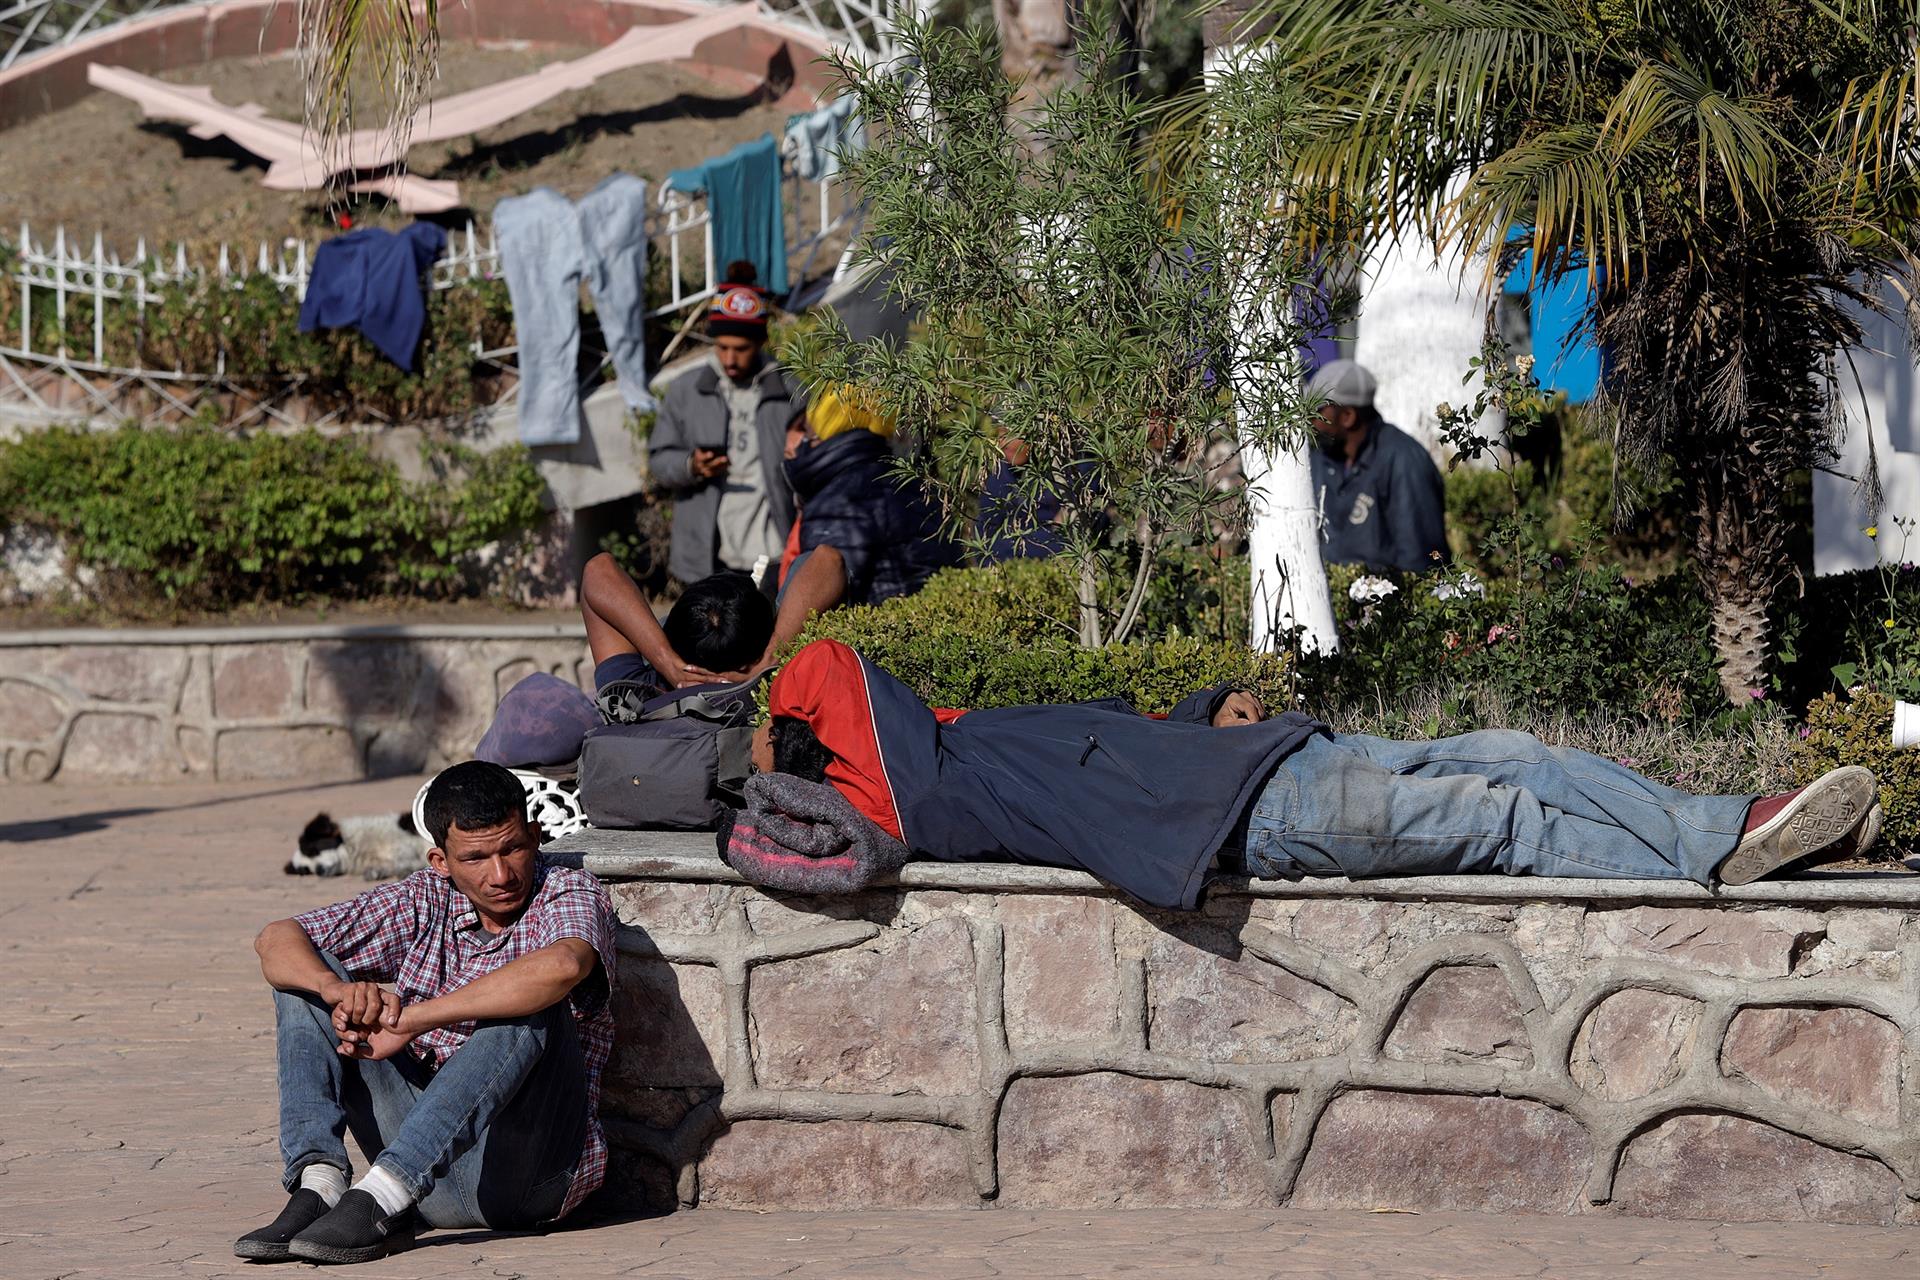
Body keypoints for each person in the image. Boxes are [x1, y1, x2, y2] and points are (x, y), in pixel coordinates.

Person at [746, 639, 1882, 909]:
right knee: (1510, 819)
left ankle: (1731, 825)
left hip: (1277, 756)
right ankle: (1719, 855)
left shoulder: (954, 737)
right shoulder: (910, 790)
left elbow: (1101, 734)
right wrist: (762, 723)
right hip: (1271, 815)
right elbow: (826, 660)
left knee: (1522, 752)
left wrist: (1199, 710)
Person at [237, 762, 617, 1264]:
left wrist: (412, 1019)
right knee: (304, 980)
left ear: (535, 834)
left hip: (522, 1182)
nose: (500, 875)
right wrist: (338, 992)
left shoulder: (568, 891)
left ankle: (383, 1198)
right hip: (425, 1178)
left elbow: (564, 965)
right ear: (441, 860)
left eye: (513, 848)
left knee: (532, 1006)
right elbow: (277, 938)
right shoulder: (424, 896)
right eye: (476, 858)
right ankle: (322, 1184)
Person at [750, 385, 965, 668]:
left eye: (811, 430)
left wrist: (770, 662)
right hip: (937, 634)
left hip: (880, 655)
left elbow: (826, 580)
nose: (804, 440)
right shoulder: (911, 481)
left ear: (825, 426)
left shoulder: (843, 494)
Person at [648, 271, 802, 589]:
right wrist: (691, 465)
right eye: (722, 347)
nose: (730, 359)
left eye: (741, 348)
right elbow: (659, 460)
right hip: (707, 554)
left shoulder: (791, 391)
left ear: (760, 342)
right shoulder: (686, 390)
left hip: (773, 549)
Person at [1308, 359, 1450, 573]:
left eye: (1316, 412)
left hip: (1385, 601)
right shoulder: (1320, 456)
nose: (1309, 421)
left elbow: (1421, 561)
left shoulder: (1404, 460)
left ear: (1347, 416)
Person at [580, 554, 774, 692]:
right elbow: (804, 562)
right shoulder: (774, 702)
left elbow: (598, 568)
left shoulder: (634, 698)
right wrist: (770, 658)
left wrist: (667, 662)